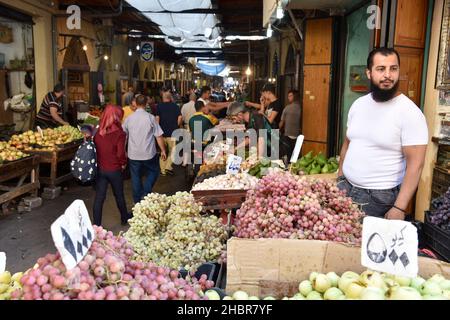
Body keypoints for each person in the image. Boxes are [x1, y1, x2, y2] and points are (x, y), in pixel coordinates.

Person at [337, 47, 428, 220]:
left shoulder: (410, 113)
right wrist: (340, 175)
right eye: (381, 69)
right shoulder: (358, 105)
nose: (388, 75)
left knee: (363, 246)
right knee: (339, 242)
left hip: (378, 199)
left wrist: (399, 207)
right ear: (369, 73)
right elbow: (348, 143)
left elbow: (416, 165)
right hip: (345, 188)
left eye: (393, 69)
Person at [123, 94, 167, 204]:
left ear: (135, 104)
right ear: (146, 103)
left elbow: (124, 136)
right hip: (148, 154)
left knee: (136, 177)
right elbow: (158, 136)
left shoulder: (129, 119)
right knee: (154, 171)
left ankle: (137, 201)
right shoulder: (150, 118)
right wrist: (163, 150)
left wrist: (124, 150)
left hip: (133, 154)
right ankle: (146, 193)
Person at [93, 105, 131, 226]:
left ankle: (96, 225)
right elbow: (120, 153)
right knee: (119, 195)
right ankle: (124, 218)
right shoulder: (120, 133)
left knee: (99, 198)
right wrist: (123, 163)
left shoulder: (97, 131)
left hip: (101, 168)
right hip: (114, 169)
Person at [155, 91, 182, 176]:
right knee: (172, 151)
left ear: (163, 98)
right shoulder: (175, 106)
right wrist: (176, 125)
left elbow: (157, 119)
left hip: (161, 133)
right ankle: (167, 167)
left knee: (163, 151)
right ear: (170, 98)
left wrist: (158, 130)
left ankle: (163, 170)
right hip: (172, 132)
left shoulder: (159, 106)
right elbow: (180, 117)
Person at [279, 90, 301, 160]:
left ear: (295, 96)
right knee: (296, 156)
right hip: (296, 134)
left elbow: (282, 122)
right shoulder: (301, 107)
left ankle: (288, 168)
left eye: (290, 96)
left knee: (289, 155)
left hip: (289, 134)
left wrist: (277, 130)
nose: (288, 98)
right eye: (288, 96)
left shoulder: (287, 108)